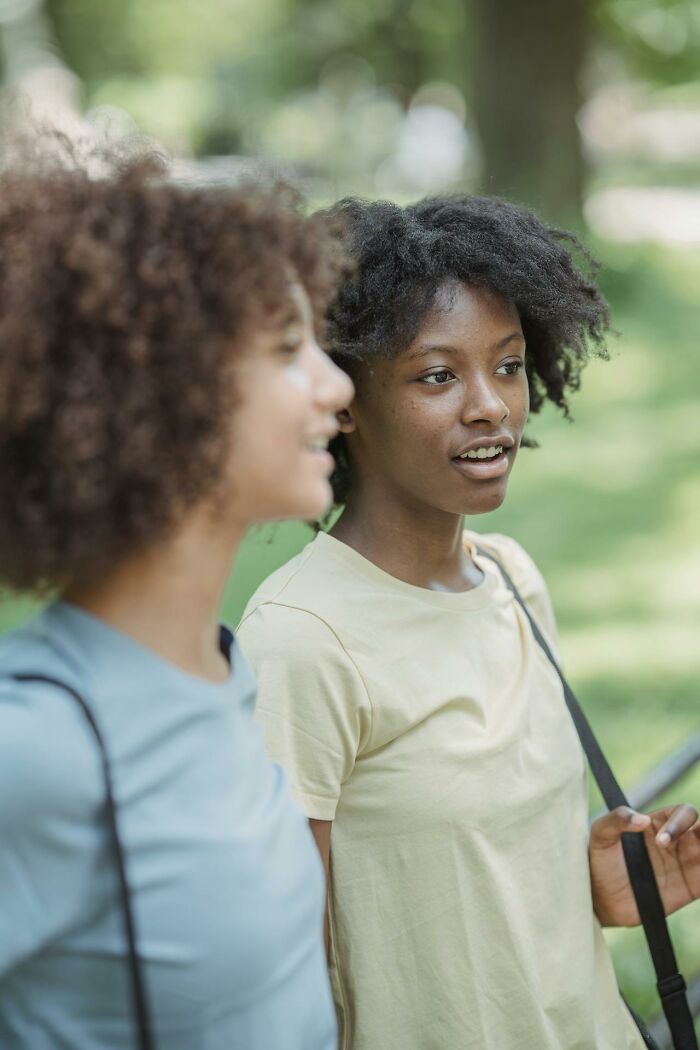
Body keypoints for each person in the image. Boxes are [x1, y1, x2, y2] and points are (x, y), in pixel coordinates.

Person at [237, 195, 700, 1050]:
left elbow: (460, 873)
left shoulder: (511, 578)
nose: (490, 406)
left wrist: (582, 885)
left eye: (511, 365)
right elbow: (279, 973)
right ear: (344, 402)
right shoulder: (304, 639)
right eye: (437, 376)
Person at [0, 134, 353, 1049]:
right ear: (161, 395)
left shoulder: (224, 673)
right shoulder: (36, 745)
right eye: (287, 348)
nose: (338, 384)